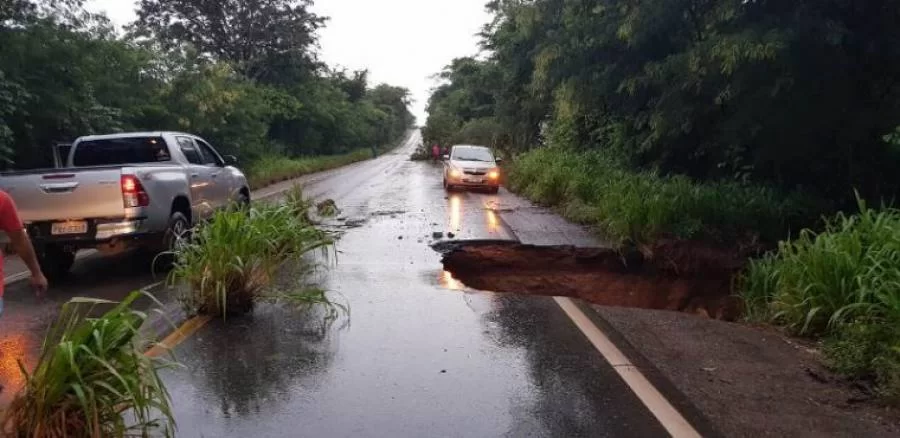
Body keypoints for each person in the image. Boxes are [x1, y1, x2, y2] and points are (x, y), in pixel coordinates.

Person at [0, 190, 48, 317]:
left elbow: (19, 240)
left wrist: (37, 273)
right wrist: (36, 273)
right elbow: (19, 240)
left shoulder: (2, 200)